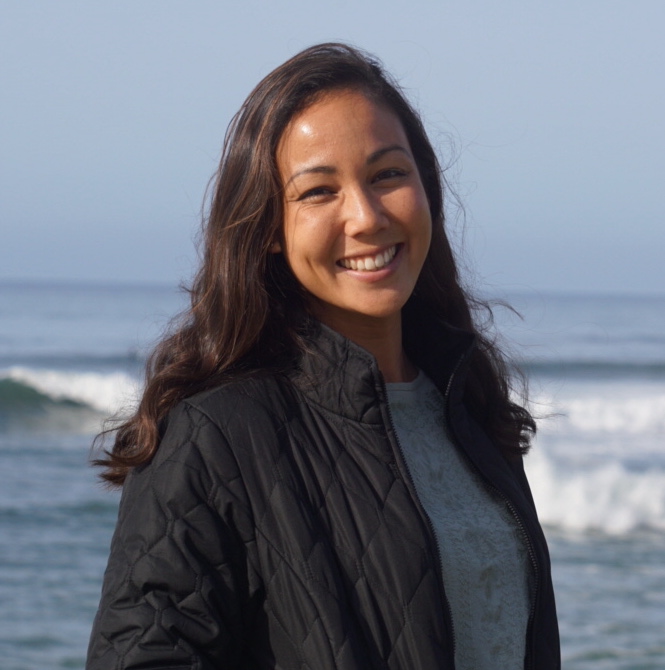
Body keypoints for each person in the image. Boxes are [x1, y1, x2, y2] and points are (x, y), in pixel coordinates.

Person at [87, 43, 559, 669]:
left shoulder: (467, 402)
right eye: (318, 192)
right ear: (270, 231)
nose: (365, 217)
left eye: (389, 174)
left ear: (427, 190)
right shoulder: (216, 438)